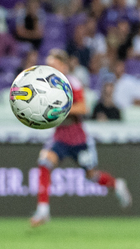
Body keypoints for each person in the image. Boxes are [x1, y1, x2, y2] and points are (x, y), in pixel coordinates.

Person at [30, 49, 132, 226]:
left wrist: (59, 109)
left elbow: (83, 108)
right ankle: (43, 210)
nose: (49, 69)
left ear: (63, 66)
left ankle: (116, 184)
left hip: (78, 139)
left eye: (53, 65)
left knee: (92, 175)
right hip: (59, 137)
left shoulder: (72, 83)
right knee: (44, 163)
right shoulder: (45, 86)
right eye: (48, 65)